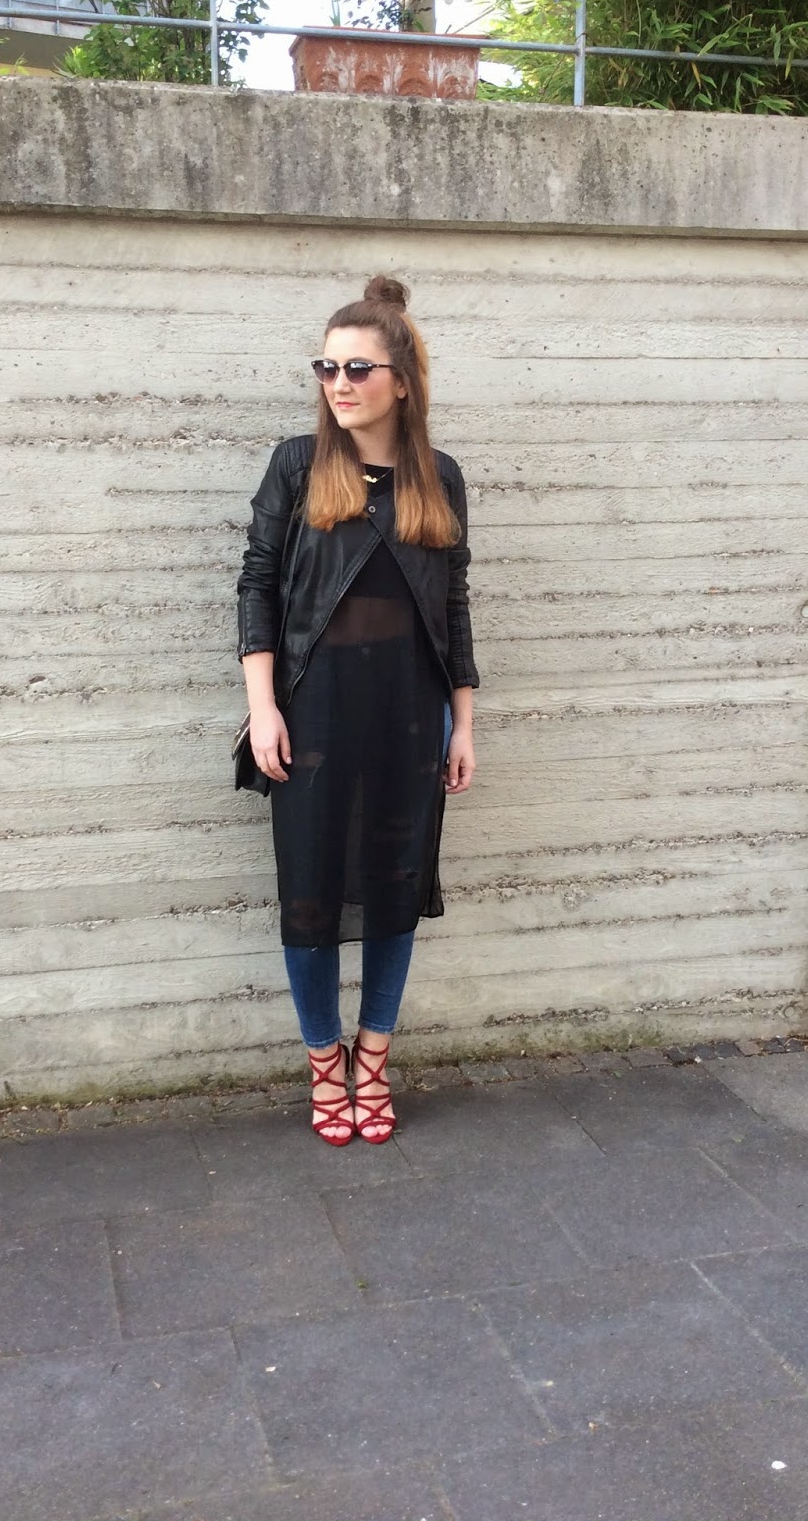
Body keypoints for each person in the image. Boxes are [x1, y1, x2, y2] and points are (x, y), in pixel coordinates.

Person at [236, 275, 479, 1145]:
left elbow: (452, 606)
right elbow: (258, 586)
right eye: (327, 367)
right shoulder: (296, 464)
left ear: (401, 382)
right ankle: (321, 1062)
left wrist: (463, 723)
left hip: (410, 719)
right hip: (313, 717)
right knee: (309, 895)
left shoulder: (438, 477)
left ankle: (371, 1060)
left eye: (357, 368)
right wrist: (263, 709)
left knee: (392, 892)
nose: (338, 383)